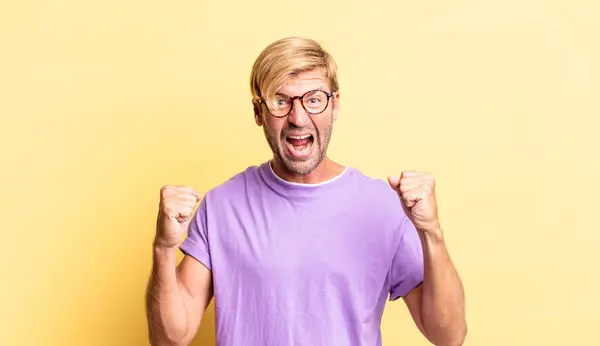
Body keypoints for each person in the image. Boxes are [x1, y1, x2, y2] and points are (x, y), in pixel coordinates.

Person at [145, 37, 467, 346]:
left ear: (335, 105)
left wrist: (431, 232)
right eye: (280, 101)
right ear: (259, 113)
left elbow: (448, 336)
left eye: (314, 99)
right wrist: (163, 247)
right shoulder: (221, 207)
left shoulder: (382, 207)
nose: (298, 118)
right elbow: (169, 338)